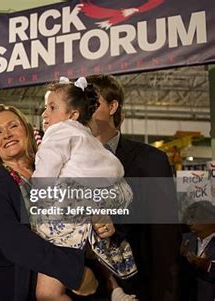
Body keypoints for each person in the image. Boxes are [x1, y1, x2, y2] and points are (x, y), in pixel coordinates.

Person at [0, 104, 119, 301]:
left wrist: (101, 221)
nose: (6, 134)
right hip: (22, 289)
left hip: (79, 285)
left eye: (13, 126)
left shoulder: (59, 170)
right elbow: (13, 241)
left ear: (27, 130)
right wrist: (75, 275)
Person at [32, 77, 134, 300]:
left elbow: (45, 174)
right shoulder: (88, 139)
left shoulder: (58, 133)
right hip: (89, 224)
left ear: (73, 115)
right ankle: (115, 288)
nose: (44, 114)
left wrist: (37, 201)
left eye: (52, 107)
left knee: (46, 293)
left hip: (64, 225)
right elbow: (116, 172)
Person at [87, 74, 180, 301]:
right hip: (85, 287)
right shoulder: (66, 161)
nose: (84, 109)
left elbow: (164, 241)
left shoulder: (151, 160)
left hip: (138, 287)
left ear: (113, 106)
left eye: (93, 102)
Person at [180, 201, 215, 301]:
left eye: (193, 217)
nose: (189, 223)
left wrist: (208, 266)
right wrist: (177, 257)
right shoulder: (182, 240)